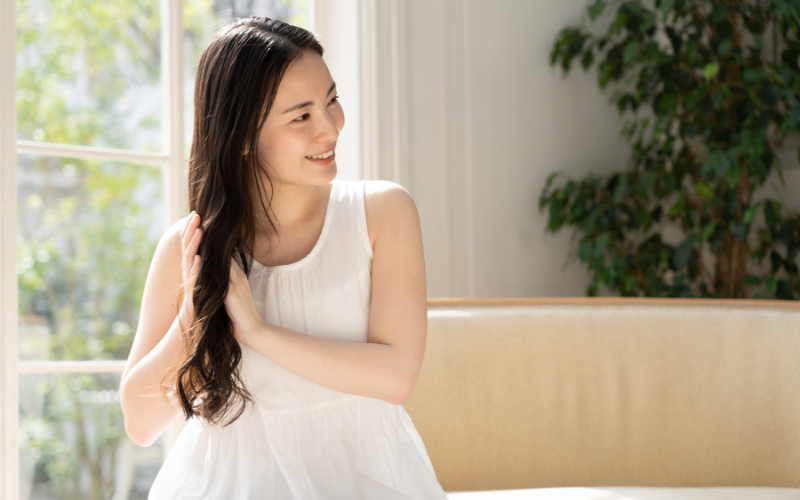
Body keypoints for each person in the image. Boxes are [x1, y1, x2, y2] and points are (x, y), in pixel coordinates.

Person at [118, 16, 449, 500]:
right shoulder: (188, 245)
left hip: (366, 478)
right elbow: (141, 423)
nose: (330, 127)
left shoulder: (381, 212)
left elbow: (395, 376)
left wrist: (258, 332)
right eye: (301, 116)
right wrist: (194, 313)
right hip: (226, 482)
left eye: (332, 100)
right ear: (244, 136)